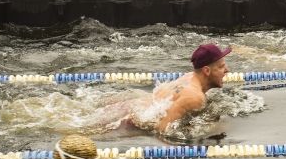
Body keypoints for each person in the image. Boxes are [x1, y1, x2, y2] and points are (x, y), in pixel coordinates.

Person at [95, 42, 232, 134]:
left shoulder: (189, 77)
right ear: (206, 71)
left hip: (128, 106)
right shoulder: (195, 97)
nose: (227, 70)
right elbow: (163, 130)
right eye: (221, 67)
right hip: (124, 121)